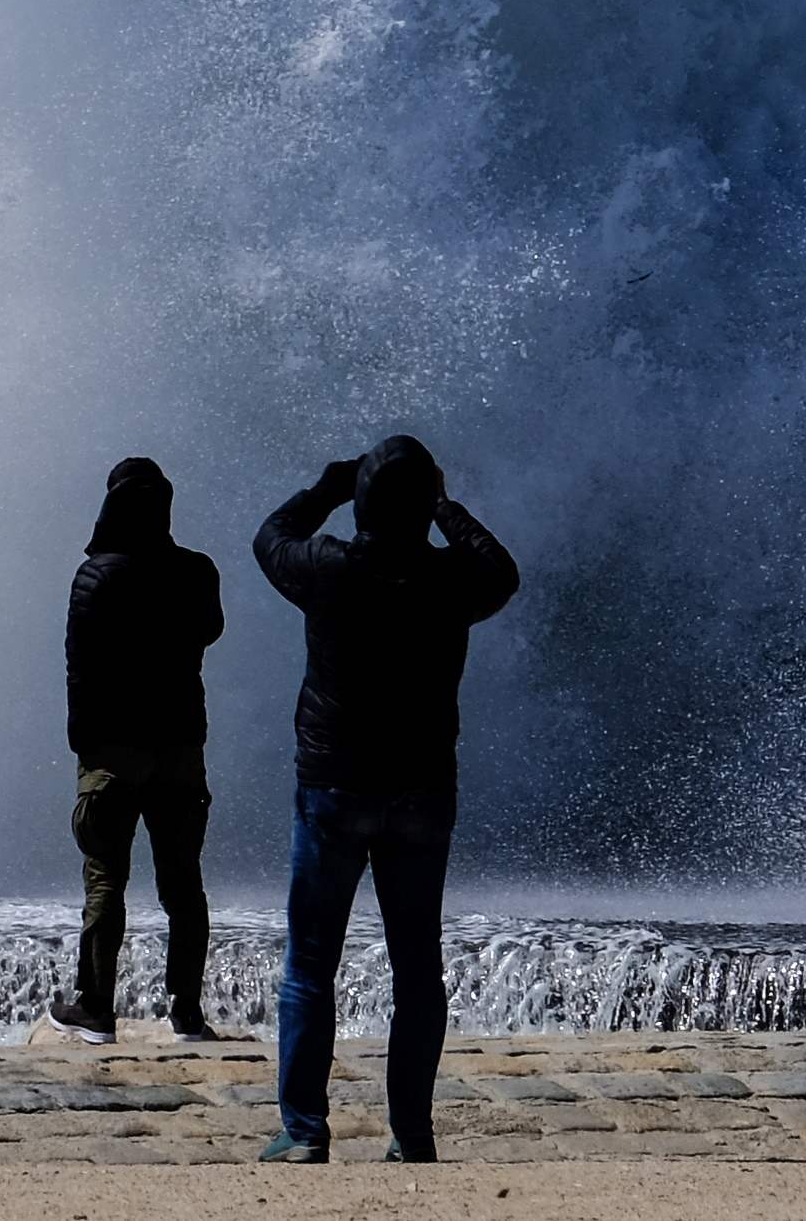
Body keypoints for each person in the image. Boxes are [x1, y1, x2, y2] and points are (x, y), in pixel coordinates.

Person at [249, 434, 519, 1161]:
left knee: (310, 965)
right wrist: (445, 508)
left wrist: (325, 487)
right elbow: (502, 572)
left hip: (333, 788)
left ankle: (304, 1132)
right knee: (415, 969)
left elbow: (269, 538)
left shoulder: (329, 569)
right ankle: (412, 1134)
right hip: (420, 793)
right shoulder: (449, 581)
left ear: (362, 502)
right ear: (422, 507)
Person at [49, 454, 226, 1042]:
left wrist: (85, 743)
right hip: (180, 748)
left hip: (113, 751)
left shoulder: (96, 576)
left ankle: (96, 1009)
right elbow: (209, 631)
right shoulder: (198, 573)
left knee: (105, 879)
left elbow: (78, 668)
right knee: (183, 884)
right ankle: (188, 1013)